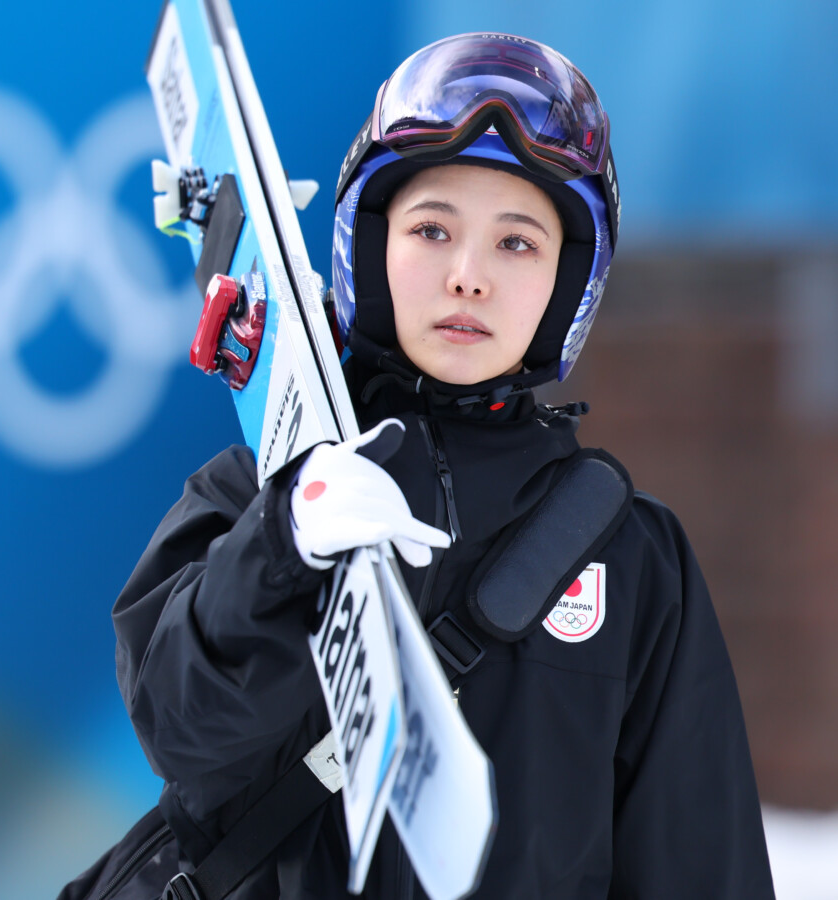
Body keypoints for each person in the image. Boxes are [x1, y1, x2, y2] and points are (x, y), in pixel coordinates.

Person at [113, 32, 776, 899]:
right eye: (432, 229)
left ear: (566, 286)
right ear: (373, 245)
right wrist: (282, 549)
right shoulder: (252, 497)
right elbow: (178, 728)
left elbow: (700, 867)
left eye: (517, 243)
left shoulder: (633, 561)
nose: (468, 277)